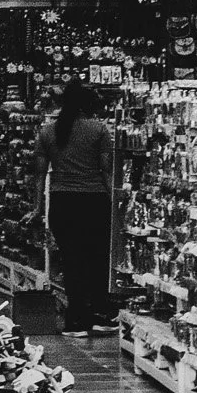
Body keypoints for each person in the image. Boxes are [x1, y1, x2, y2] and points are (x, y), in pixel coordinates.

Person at [35, 79, 117, 338]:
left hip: (62, 201)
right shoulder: (99, 129)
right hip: (94, 201)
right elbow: (106, 171)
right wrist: (116, 204)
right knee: (97, 259)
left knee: (71, 261)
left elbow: (38, 175)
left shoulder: (48, 131)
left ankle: (76, 321)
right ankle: (100, 315)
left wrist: (38, 207)